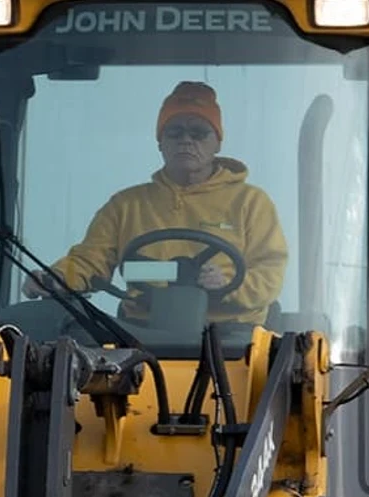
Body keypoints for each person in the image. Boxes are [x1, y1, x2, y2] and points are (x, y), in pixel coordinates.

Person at [21, 81, 288, 326]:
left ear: (217, 142)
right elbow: (91, 260)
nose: (186, 140)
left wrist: (230, 284)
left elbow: (270, 270)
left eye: (199, 132)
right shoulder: (126, 205)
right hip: (142, 335)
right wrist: (54, 278)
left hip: (234, 339)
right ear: (160, 141)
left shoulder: (250, 202)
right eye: (175, 131)